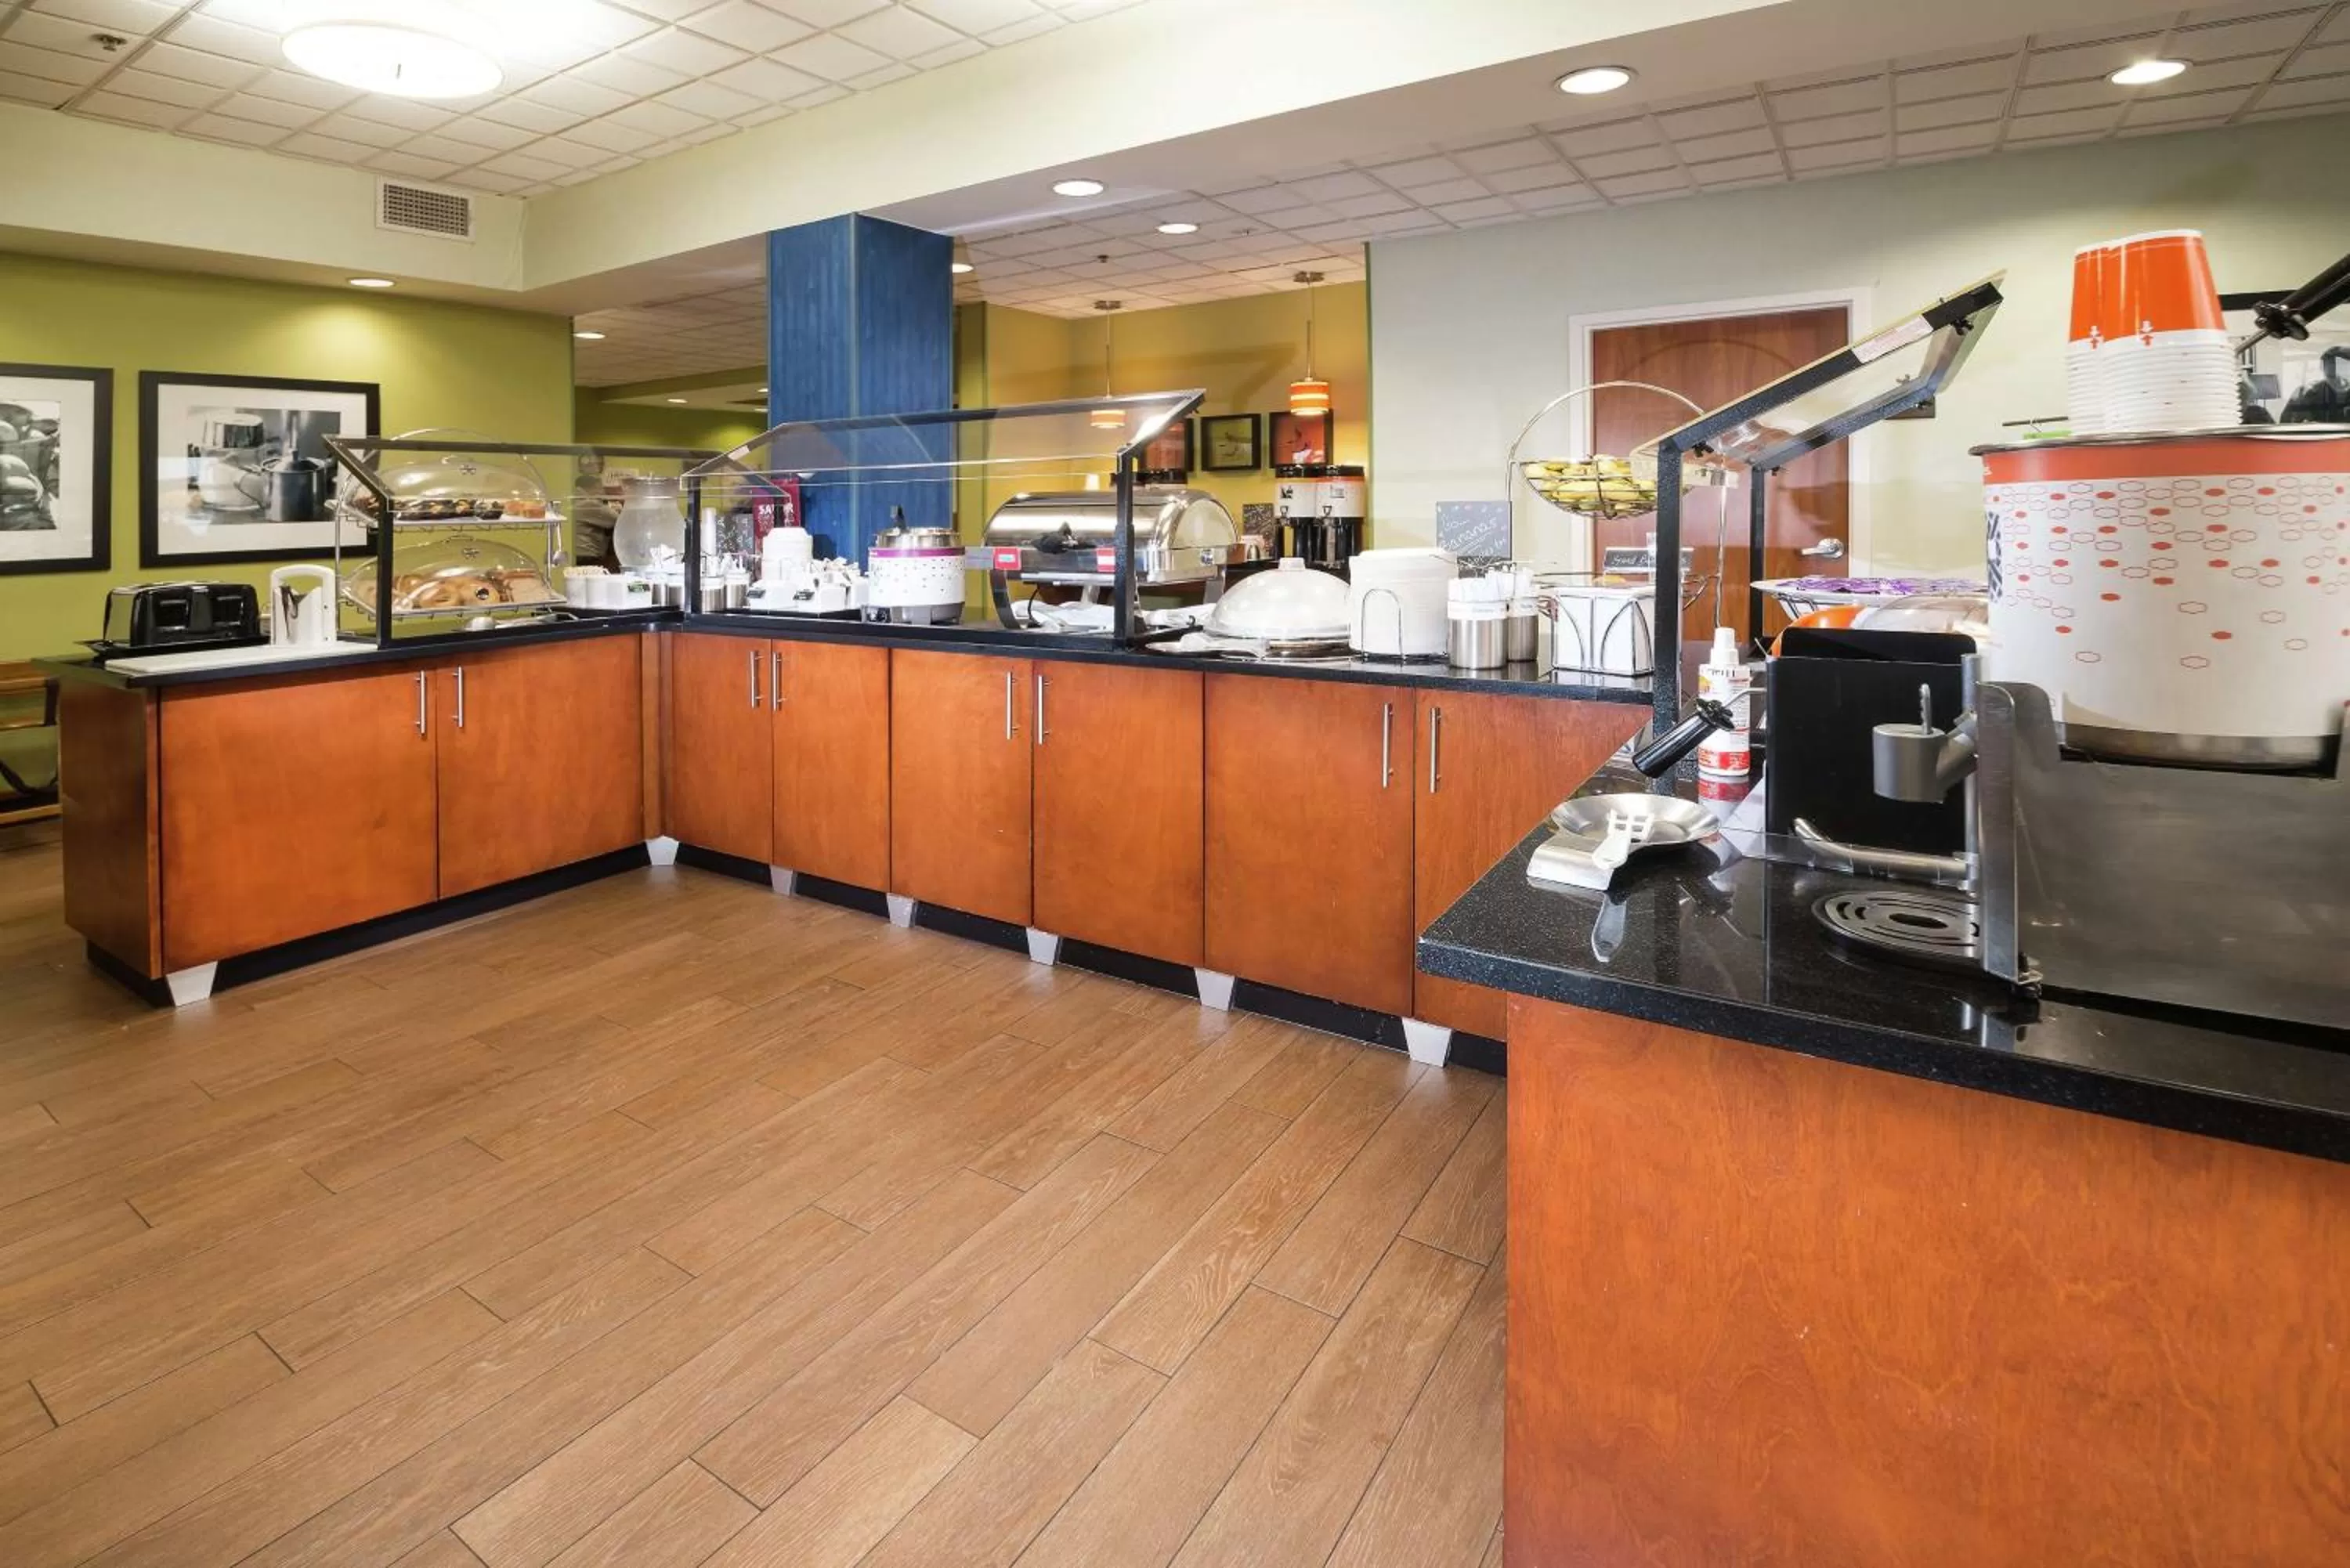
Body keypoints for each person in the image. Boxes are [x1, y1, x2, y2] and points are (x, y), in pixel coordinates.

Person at [2280, 345, 2350, 424]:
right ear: (2322, 369)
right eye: (2332, 376)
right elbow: (2286, 425)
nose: (2340, 382)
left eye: (2346, 375)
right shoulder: (2305, 394)